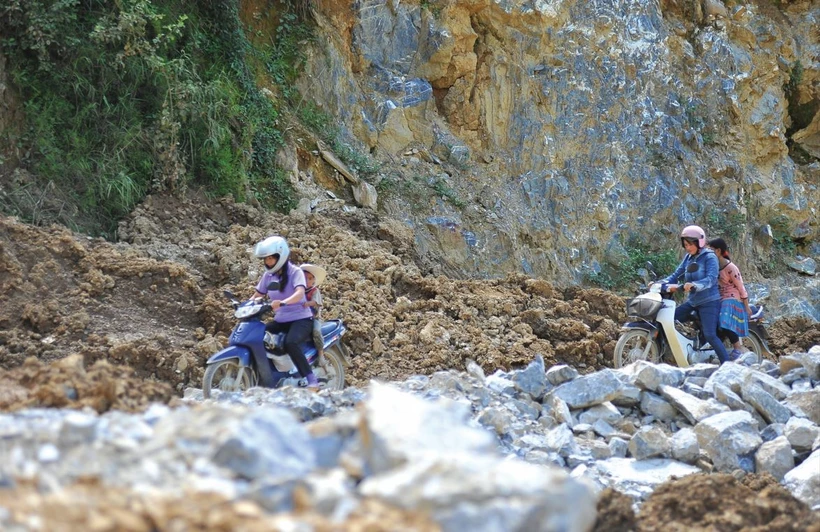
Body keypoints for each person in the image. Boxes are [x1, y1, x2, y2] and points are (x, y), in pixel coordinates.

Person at [655, 225, 731, 364]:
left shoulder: (710, 257)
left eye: (690, 244)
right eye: (685, 245)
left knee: (710, 335)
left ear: (699, 242)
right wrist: (659, 283)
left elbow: (711, 279)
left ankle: (728, 366)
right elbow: (676, 275)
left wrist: (695, 285)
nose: (688, 248)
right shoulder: (688, 258)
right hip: (693, 302)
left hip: (709, 302)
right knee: (666, 320)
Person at [252, 236, 319, 390]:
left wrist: (282, 302)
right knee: (259, 334)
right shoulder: (268, 276)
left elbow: (299, 293)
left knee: (291, 342)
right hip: (281, 319)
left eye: (271, 258)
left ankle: (311, 379)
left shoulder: (296, 272)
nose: (268, 262)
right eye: (265, 259)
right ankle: (270, 375)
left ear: (280, 256)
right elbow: (258, 294)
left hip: (301, 319)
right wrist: (245, 304)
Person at [708, 237, 752, 360]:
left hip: (732, 299)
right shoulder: (713, 267)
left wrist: (746, 306)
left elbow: (741, 286)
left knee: (724, 321)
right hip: (719, 298)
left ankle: (738, 347)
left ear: (718, 251)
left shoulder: (731, 268)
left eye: (711, 251)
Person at [300, 263, 327, 360]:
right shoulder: (299, 291)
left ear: (314, 280)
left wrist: (307, 304)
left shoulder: (315, 291)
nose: (307, 281)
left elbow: (315, 302)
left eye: (310, 278)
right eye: (305, 278)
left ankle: (321, 354)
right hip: (301, 318)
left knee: (316, 331)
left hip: (314, 318)